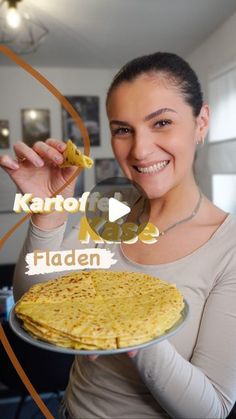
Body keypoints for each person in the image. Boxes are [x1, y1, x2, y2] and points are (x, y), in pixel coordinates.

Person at [1, 52, 236, 419]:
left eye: (161, 122)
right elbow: (33, 303)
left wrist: (127, 327)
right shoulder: (109, 207)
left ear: (201, 122)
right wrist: (48, 216)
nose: (140, 150)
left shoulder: (229, 247)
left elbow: (212, 409)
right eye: (123, 129)